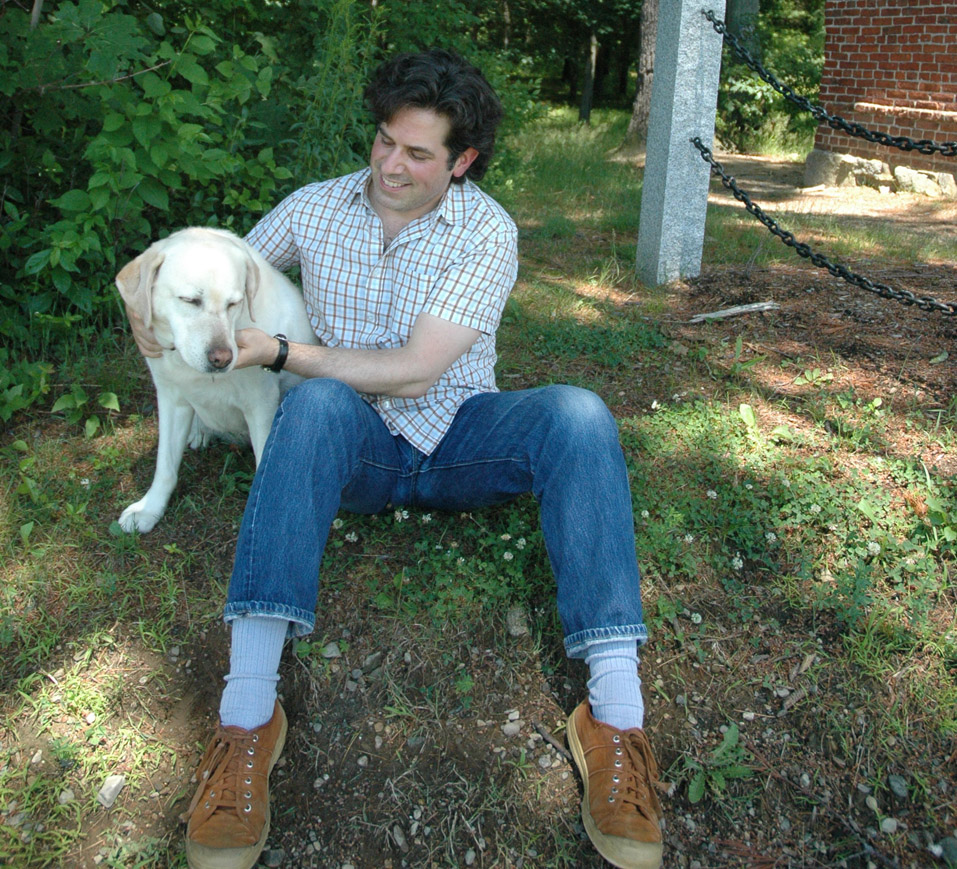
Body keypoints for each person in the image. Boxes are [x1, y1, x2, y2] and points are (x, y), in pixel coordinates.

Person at [128, 48, 663, 869]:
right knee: (313, 404)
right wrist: (150, 307)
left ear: (462, 161)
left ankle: (616, 721)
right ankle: (245, 719)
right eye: (384, 140)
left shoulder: (487, 231)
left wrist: (284, 353)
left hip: (459, 435)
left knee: (580, 415)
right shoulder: (314, 207)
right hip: (352, 447)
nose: (389, 164)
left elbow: (416, 370)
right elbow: (218, 270)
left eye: (417, 153)